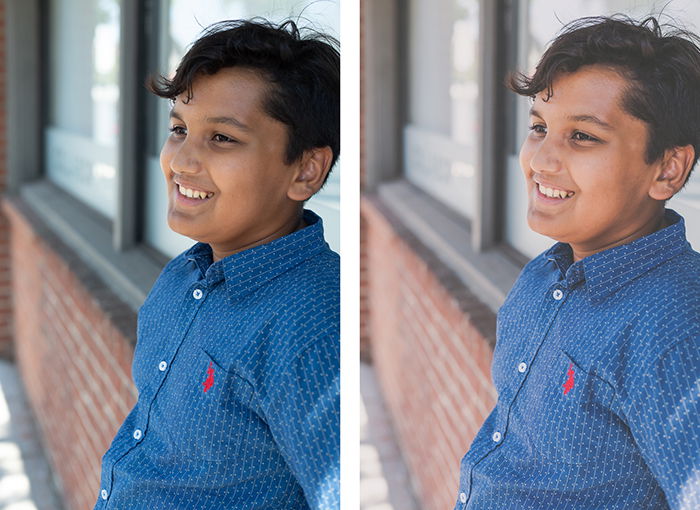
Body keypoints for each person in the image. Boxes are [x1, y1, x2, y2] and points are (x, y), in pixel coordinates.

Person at [454, 15, 700, 510]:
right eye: (540, 128)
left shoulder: (676, 328)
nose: (541, 160)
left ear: (668, 169)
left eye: (583, 136)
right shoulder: (546, 272)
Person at [94, 19, 340, 510]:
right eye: (180, 130)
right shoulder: (186, 273)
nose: (181, 161)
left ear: (305, 170)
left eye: (222, 138)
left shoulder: (314, 328)